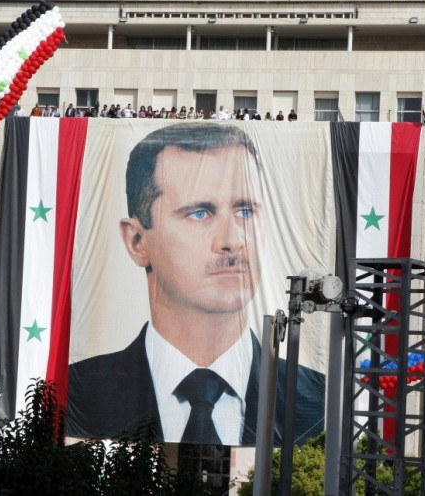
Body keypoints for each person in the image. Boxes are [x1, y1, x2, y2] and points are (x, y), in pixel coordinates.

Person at [67, 122, 324, 446]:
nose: (232, 241)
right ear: (136, 240)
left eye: (245, 211)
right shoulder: (77, 391)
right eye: (200, 213)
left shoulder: (319, 403)